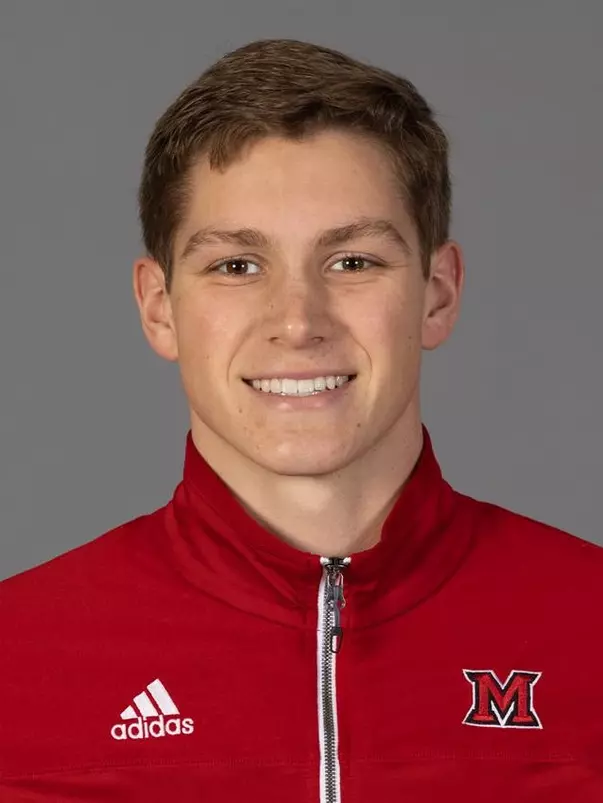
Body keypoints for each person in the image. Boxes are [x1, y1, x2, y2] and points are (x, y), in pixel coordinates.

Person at [1, 37, 602, 803]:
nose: (296, 321)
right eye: (235, 266)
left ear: (437, 293)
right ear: (159, 308)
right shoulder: (14, 661)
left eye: (351, 261)